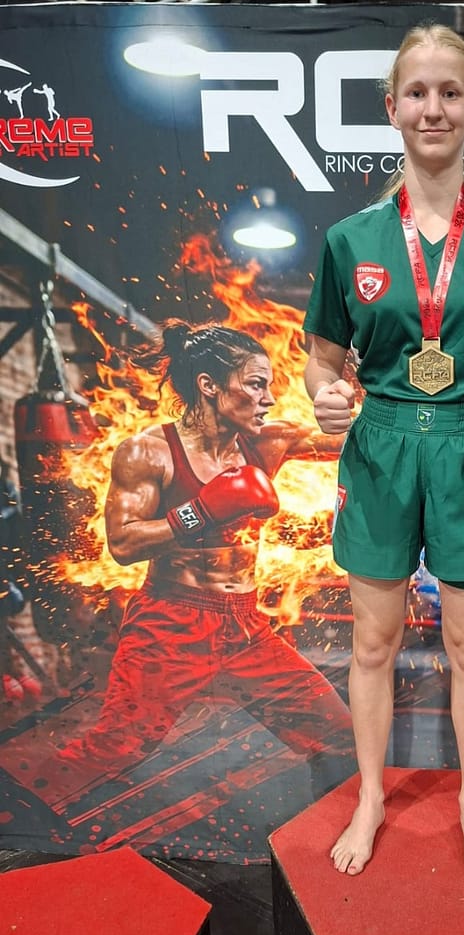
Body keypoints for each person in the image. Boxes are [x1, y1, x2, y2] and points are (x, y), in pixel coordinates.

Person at [303, 23, 464, 878]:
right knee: (372, 644)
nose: (433, 108)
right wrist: (324, 394)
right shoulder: (350, 239)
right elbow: (321, 358)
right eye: (417, 92)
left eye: (450, 93)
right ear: (392, 107)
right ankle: (371, 797)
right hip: (381, 445)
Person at [58, 321, 351, 772]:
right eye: (256, 384)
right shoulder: (147, 452)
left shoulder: (269, 442)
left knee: (339, 736)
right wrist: (202, 511)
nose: (269, 399)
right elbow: (123, 543)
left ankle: (343, 816)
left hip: (247, 626)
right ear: (208, 385)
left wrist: (376, 376)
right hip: (170, 623)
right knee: (113, 751)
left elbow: (358, 438)